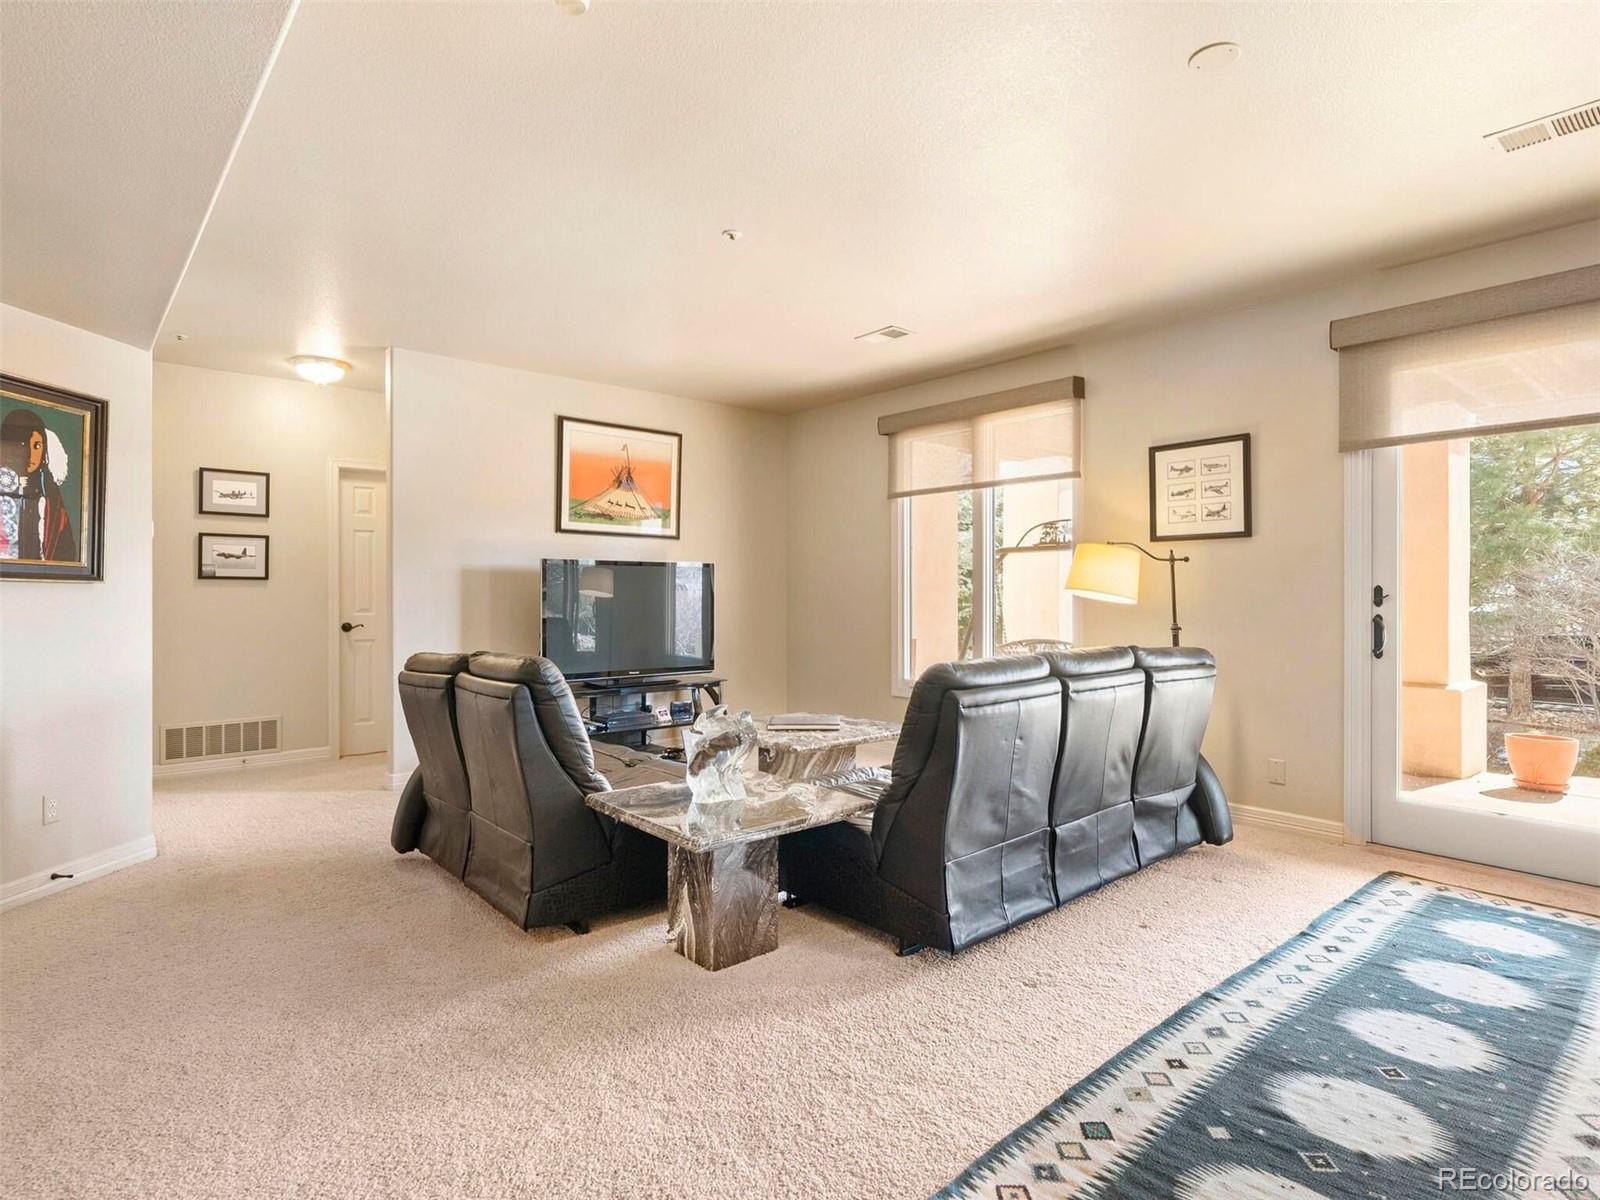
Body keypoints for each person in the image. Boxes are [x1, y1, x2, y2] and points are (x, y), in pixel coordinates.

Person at [0, 407, 77, 563]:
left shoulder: (51, 497)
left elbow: (65, 550)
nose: (30, 453)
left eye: (36, 446)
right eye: (22, 444)